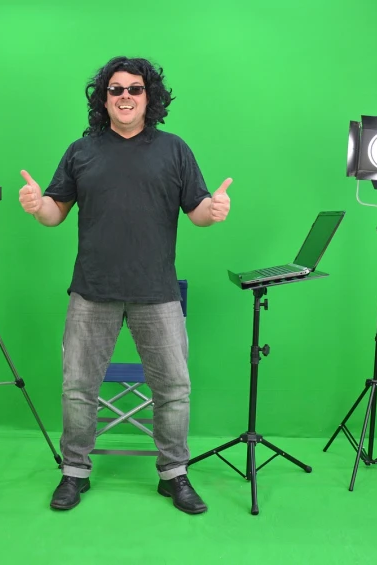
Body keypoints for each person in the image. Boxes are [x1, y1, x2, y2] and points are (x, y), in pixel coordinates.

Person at [18, 56, 232, 515]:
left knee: (173, 387)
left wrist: (212, 213)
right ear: (105, 99)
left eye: (135, 89)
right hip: (92, 290)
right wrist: (37, 206)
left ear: (148, 97)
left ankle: (174, 474)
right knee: (78, 386)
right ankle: (75, 472)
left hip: (157, 291)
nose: (126, 97)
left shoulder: (174, 149)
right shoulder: (82, 150)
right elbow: (55, 214)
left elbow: (196, 212)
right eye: (116, 90)